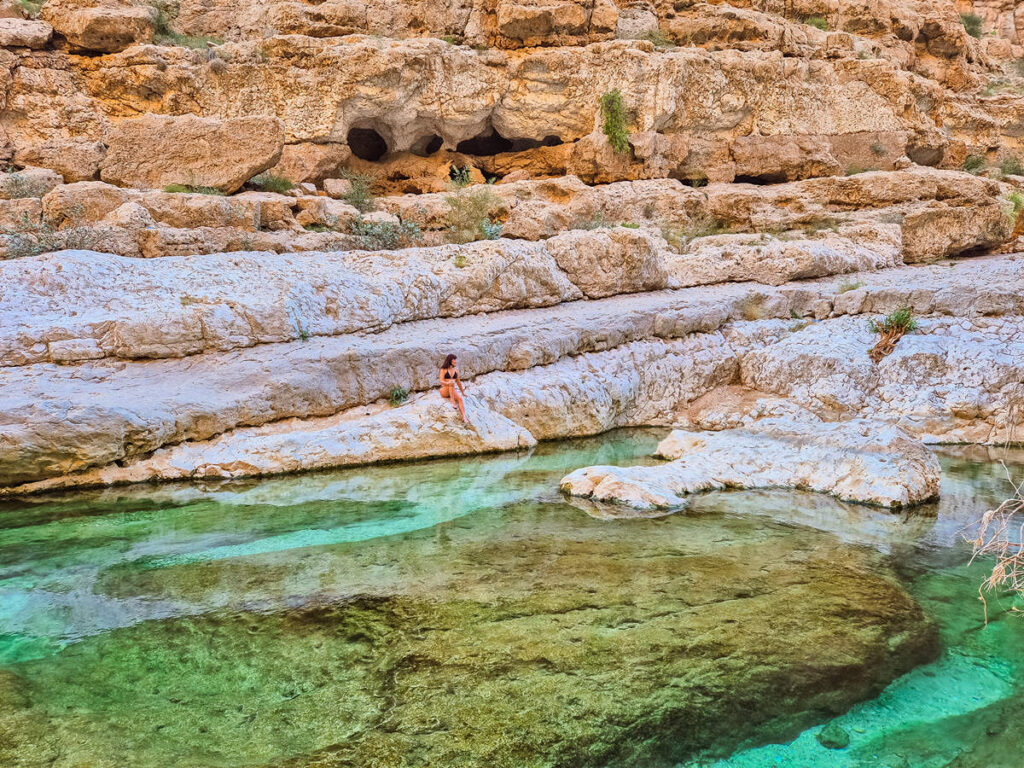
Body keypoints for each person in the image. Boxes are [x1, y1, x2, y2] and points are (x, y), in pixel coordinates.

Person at [439, 353, 468, 423]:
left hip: (452, 389)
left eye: (455, 359)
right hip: (444, 390)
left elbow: (458, 382)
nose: (455, 361)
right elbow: (441, 381)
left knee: (460, 399)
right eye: (454, 359)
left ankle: (464, 417)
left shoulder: (456, 370)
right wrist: (447, 383)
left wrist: (463, 392)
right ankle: (452, 401)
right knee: (451, 382)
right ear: (450, 360)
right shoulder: (443, 369)